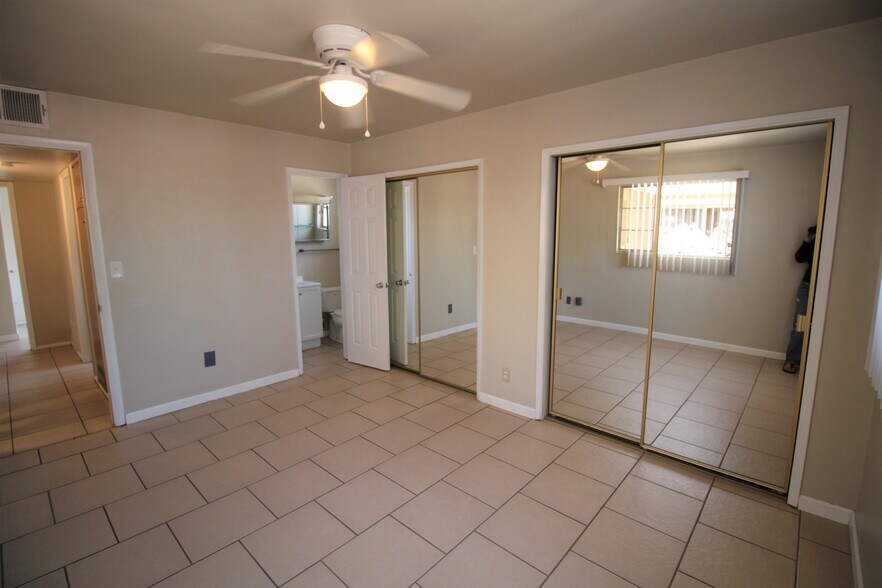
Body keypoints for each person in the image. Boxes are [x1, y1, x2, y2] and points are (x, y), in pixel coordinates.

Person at [783, 225, 815, 373]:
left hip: (827, 288)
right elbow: (799, 258)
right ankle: (792, 360)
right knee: (800, 324)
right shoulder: (813, 242)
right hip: (807, 286)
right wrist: (808, 241)